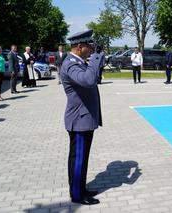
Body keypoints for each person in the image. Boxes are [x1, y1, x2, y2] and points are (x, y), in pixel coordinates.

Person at [61, 29, 102, 205]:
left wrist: (93, 60)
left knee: (82, 158)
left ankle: (81, 188)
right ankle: (77, 195)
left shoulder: (79, 62)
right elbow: (88, 80)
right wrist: (95, 59)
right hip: (79, 120)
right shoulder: (71, 64)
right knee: (78, 159)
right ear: (79, 47)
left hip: (84, 118)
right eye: (89, 46)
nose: (92, 49)